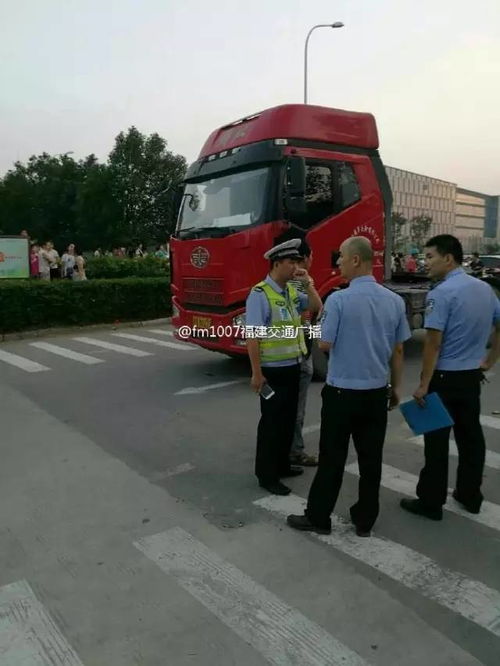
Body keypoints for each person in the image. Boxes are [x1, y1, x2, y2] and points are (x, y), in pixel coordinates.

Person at [287, 236, 411, 536]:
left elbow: (325, 343)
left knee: (332, 457)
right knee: (371, 460)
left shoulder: (339, 299)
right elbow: (398, 350)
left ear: (356, 260)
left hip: (342, 393)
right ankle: (365, 521)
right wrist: (395, 388)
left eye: (341, 256)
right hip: (375, 393)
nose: (338, 261)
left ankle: (319, 517)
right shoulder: (394, 301)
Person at [400, 235, 500, 520]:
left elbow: (433, 344)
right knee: (471, 438)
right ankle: (470, 495)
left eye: (430, 256)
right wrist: (488, 361)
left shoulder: (441, 293)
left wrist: (422, 385)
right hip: (471, 377)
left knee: (436, 442)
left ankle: (431, 503)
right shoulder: (485, 290)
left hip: (443, 379)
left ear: (448, 258)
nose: (425, 262)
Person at [245, 238, 322, 495]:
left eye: (297, 262)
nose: (295, 266)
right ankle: (267, 475)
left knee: (288, 422)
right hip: (272, 370)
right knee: (271, 424)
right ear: (277, 263)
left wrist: (308, 283)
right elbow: (253, 336)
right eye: (291, 262)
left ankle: (282, 465)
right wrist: (256, 373)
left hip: (293, 367)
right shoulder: (259, 294)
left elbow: (315, 307)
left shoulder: (290, 291)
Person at [288, 239, 320, 466]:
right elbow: (315, 309)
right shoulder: (299, 283)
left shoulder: (290, 282)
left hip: (300, 351)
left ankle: (289, 449)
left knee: (291, 409)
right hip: (297, 354)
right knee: (296, 411)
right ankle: (294, 452)